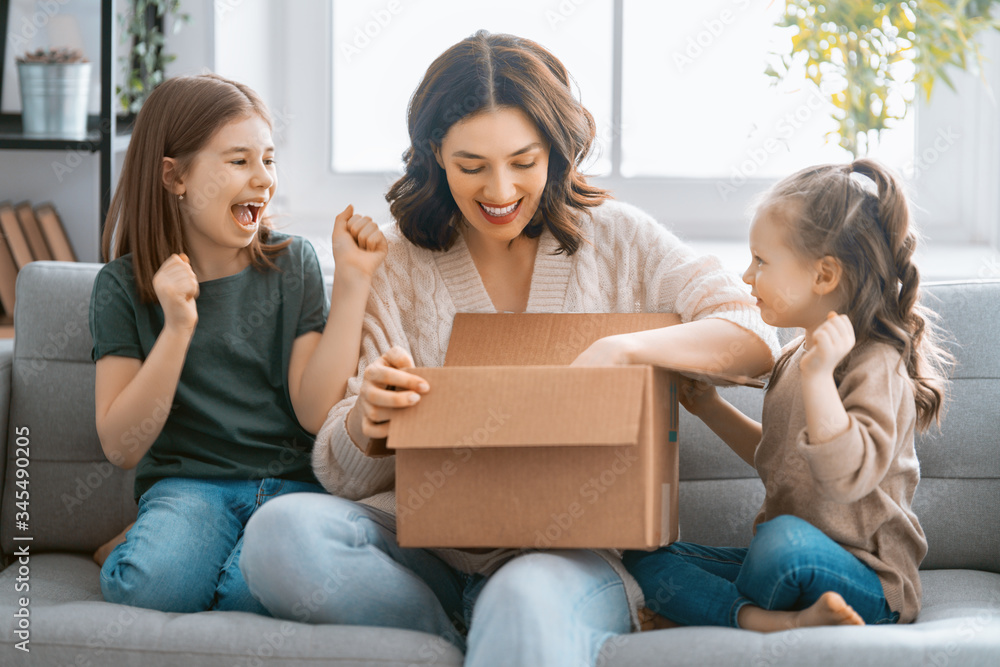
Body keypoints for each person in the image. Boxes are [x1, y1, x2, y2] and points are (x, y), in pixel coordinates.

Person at [238, 31, 777, 665]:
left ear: (556, 147)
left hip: (569, 555)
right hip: (425, 550)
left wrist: (626, 351)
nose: (499, 191)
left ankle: (501, 631)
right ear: (436, 152)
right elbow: (340, 474)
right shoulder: (398, 261)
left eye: (524, 161)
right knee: (280, 534)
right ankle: (453, 640)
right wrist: (367, 421)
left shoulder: (620, 239)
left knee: (522, 601)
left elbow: (752, 337)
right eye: (472, 166)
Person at [89, 73, 387, 614]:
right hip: (191, 489)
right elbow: (121, 445)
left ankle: (160, 542)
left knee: (254, 591)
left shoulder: (292, 263)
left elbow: (316, 411)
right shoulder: (120, 287)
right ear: (174, 177)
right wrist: (178, 328)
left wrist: (352, 281)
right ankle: (144, 541)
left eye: (269, 160)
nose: (263, 179)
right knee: (151, 587)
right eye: (239, 161)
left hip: (293, 490)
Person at [623, 159, 954, 632]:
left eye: (761, 261)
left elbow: (845, 481)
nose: (746, 275)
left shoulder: (875, 363)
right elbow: (780, 460)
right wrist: (710, 408)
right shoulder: (798, 351)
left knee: (780, 544)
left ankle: (726, 613)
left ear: (824, 276)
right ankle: (765, 617)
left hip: (867, 581)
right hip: (783, 560)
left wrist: (820, 377)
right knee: (641, 557)